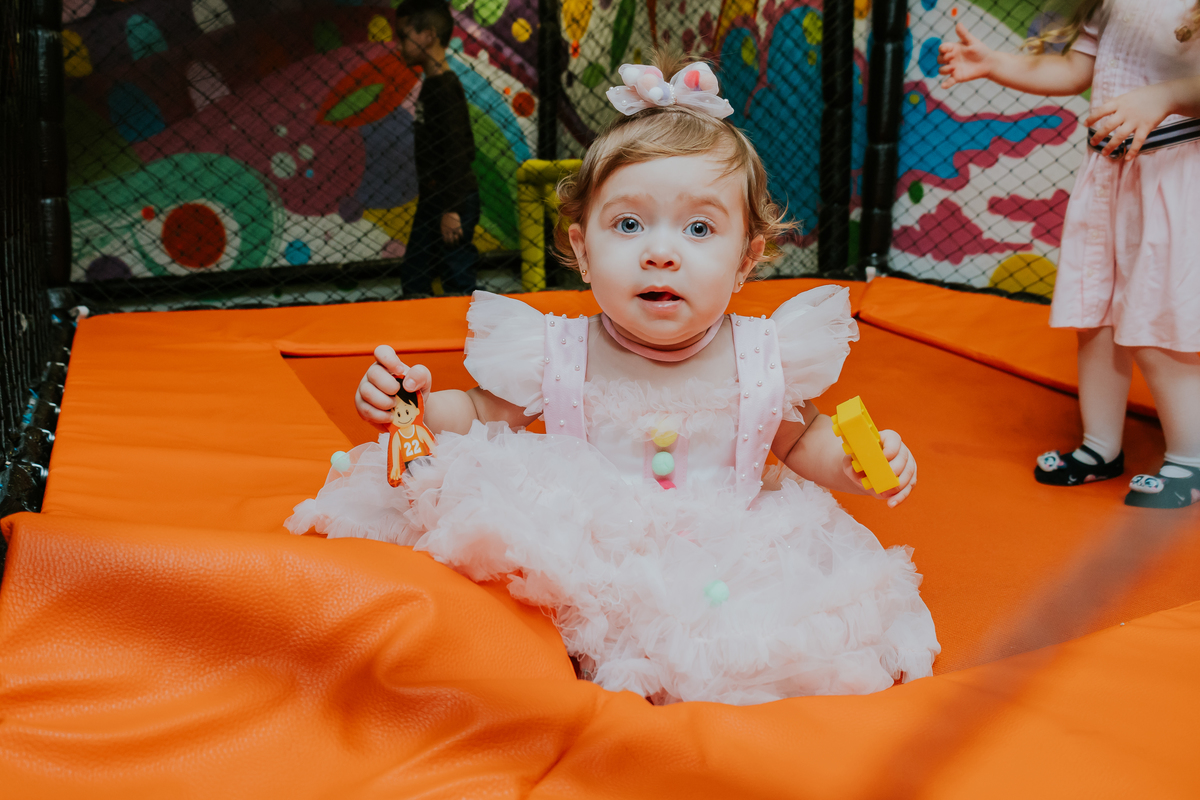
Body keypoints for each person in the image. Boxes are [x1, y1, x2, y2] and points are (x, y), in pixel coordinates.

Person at [287, 53, 940, 705]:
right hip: (587, 552)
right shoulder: (558, 349)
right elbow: (486, 417)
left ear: (746, 260)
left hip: (724, 558)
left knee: (760, 648)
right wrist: (421, 408)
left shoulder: (764, 354)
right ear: (583, 250)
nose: (660, 250)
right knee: (481, 576)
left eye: (699, 228)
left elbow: (802, 441)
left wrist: (856, 461)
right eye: (628, 224)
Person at [939, 1, 1200, 509]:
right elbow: (1075, 70)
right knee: (1095, 315)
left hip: (1172, 170)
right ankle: (1101, 446)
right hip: (1110, 172)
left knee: (1157, 316)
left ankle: (1191, 458)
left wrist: (1164, 95)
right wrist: (994, 63)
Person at [395, 0, 479, 296]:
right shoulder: (432, 86)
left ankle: (469, 335)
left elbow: (457, 151)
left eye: (404, 36)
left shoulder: (444, 89)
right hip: (437, 198)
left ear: (428, 35)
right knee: (416, 275)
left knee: (456, 275)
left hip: (452, 199)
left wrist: (453, 210)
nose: (399, 44)